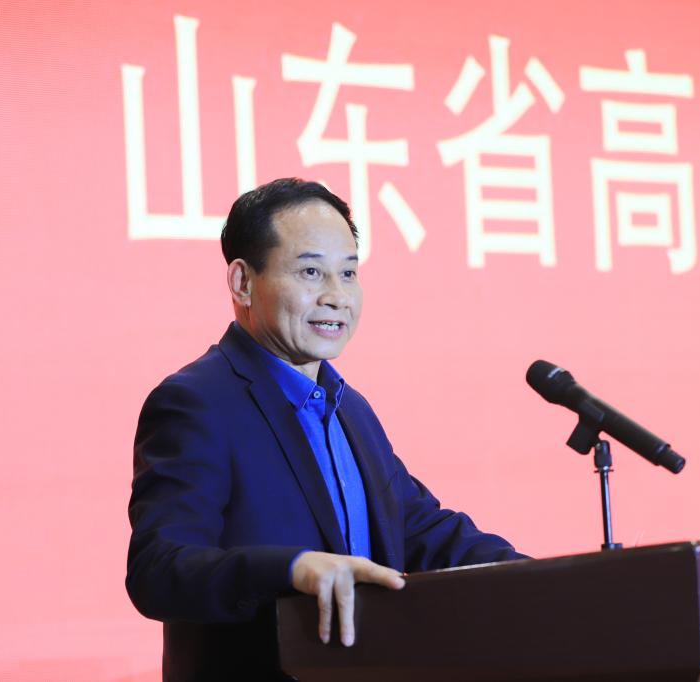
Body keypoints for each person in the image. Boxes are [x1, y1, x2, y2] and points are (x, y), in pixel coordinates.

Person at [126, 178, 527, 680]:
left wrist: (540, 578)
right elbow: (159, 569)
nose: (337, 297)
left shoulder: (349, 407)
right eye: (311, 272)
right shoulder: (197, 402)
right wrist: (292, 568)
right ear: (242, 282)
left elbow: (417, 526)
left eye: (349, 273)